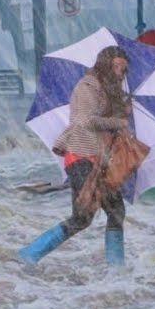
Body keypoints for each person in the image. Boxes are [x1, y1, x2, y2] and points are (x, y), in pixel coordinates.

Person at [18, 45, 133, 267]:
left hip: (101, 160)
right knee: (83, 217)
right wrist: (118, 121)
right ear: (105, 65)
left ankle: (116, 270)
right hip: (81, 157)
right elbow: (84, 120)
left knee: (115, 211)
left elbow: (107, 123)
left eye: (123, 69)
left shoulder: (112, 92)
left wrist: (123, 111)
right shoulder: (87, 87)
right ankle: (30, 253)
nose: (120, 72)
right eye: (116, 66)